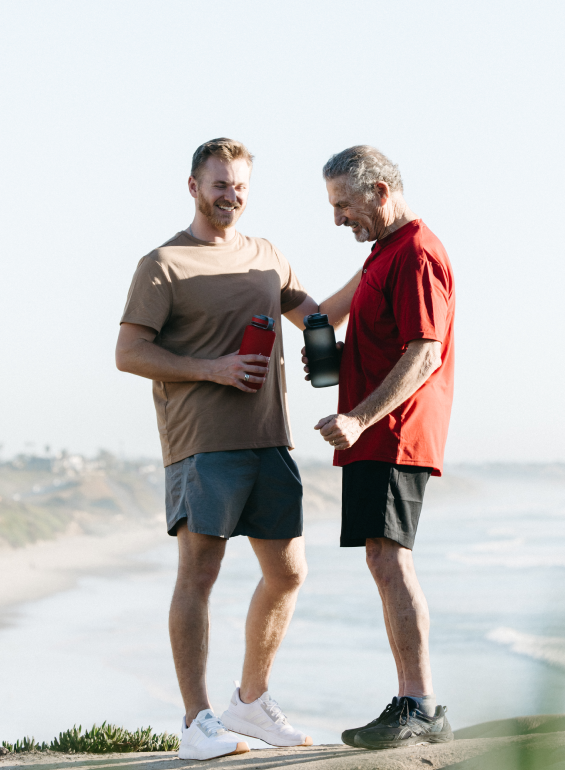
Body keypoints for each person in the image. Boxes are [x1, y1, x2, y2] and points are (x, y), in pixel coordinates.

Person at [116, 138, 323, 761]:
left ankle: (251, 704)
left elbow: (309, 310)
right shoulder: (163, 264)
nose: (231, 196)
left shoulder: (266, 257)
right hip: (202, 446)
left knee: (287, 573)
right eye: (220, 185)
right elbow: (128, 352)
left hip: (270, 440)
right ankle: (195, 723)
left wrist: (335, 326)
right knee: (198, 577)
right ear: (193, 186)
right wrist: (214, 369)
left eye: (240, 187)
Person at [303, 145, 455, 750]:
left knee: (392, 559)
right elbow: (319, 314)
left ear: (380, 193)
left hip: (393, 434)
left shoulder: (416, 252)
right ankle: (412, 700)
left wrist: (360, 418)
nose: (338, 218)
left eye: (344, 204)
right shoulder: (381, 256)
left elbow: (425, 352)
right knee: (381, 558)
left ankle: (419, 705)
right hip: (375, 435)